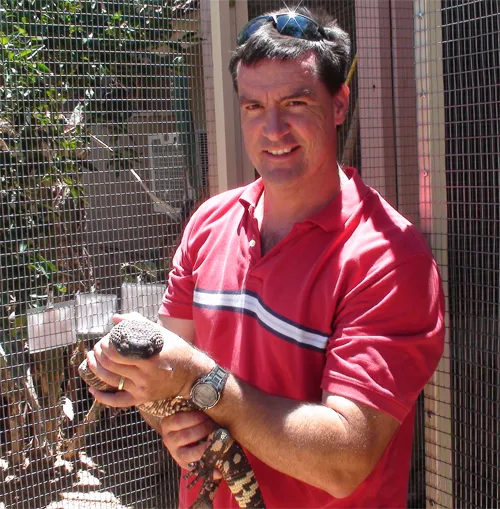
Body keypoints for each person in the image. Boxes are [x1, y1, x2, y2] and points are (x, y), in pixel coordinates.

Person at [86, 6, 445, 508]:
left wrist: (200, 382)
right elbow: (166, 379)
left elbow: (346, 460)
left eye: (296, 103)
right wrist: (167, 414)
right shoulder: (209, 223)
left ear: (339, 103)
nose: (272, 129)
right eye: (253, 107)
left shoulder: (388, 257)